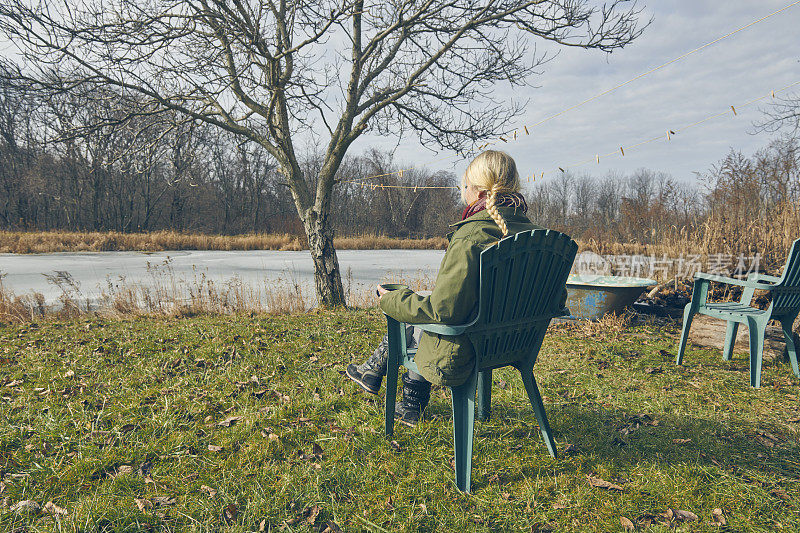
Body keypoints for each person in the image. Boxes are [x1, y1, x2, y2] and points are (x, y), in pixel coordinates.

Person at [346, 150, 543, 427]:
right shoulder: (539, 236)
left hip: (466, 348)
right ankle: (377, 375)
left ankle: (402, 397)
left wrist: (392, 300)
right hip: (515, 344)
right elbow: (555, 299)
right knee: (424, 299)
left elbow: (443, 311)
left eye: (464, 186)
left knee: (414, 310)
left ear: (475, 190)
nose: (463, 193)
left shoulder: (473, 235)